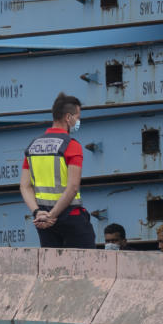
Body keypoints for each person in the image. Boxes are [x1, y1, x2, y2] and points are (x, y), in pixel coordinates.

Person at [19, 92, 96, 248]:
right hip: (71, 218)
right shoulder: (71, 145)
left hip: (44, 222)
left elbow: (25, 186)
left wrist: (38, 214)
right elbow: (73, 187)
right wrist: (52, 215)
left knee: (53, 269)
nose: (78, 121)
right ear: (68, 117)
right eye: (77, 117)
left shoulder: (33, 146)